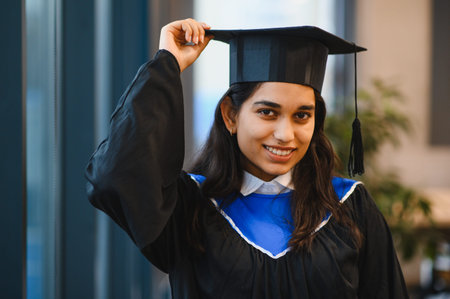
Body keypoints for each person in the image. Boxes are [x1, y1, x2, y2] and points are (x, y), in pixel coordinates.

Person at [85, 18, 409, 298]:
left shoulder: (349, 207)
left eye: (301, 116)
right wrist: (167, 63)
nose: (286, 134)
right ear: (230, 115)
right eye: (267, 112)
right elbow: (113, 177)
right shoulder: (189, 208)